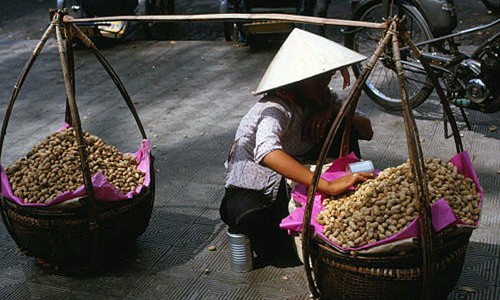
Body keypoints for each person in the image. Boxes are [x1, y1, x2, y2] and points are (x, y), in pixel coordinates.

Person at [219, 28, 373, 263]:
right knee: (255, 224)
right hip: (258, 188)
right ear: (297, 81)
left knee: (344, 126)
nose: (325, 83)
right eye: (318, 79)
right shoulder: (274, 108)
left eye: (327, 77)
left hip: (301, 170)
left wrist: (335, 110)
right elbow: (268, 153)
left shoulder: (321, 98)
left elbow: (367, 131)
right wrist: (326, 186)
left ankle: (351, 179)